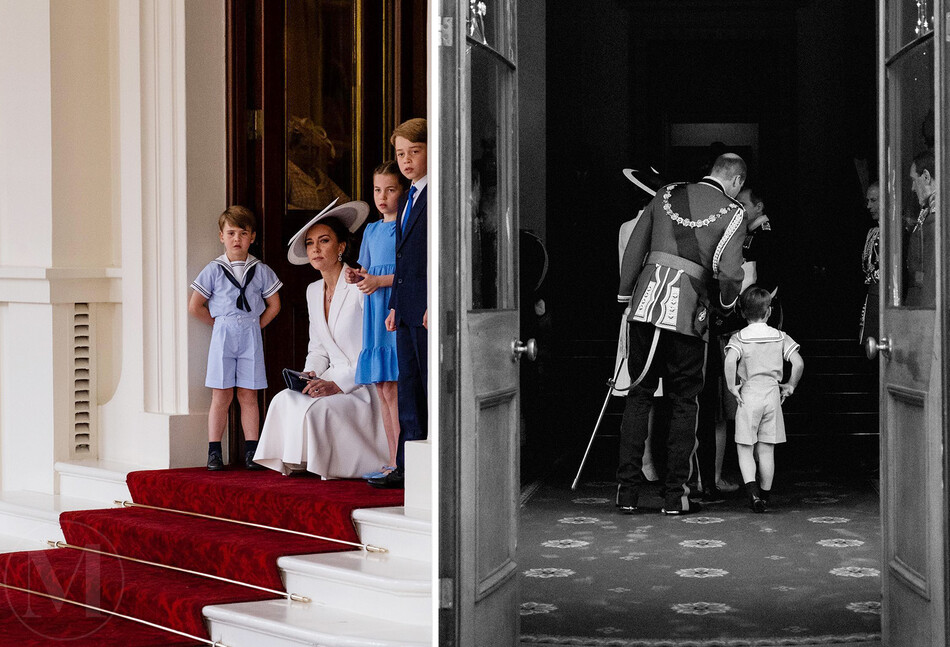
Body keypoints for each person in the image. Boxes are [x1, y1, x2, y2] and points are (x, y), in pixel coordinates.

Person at [616, 153, 748, 516]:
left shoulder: (666, 193)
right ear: (735, 182)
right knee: (683, 403)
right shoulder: (734, 212)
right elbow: (732, 274)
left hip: (645, 306)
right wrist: (722, 306)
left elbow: (635, 249)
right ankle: (676, 496)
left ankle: (627, 492)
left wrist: (628, 295)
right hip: (689, 314)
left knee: (638, 397)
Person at [254, 201, 391, 479]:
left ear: (341, 247)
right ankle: (298, 461)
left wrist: (338, 385)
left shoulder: (359, 285)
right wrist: (310, 374)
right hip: (328, 376)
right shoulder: (312, 290)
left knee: (320, 410)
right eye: (310, 243)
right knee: (284, 399)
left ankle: (326, 464)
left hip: (363, 384)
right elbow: (317, 347)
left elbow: (373, 347)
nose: (315, 249)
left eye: (324, 241)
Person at [189, 206, 283, 471]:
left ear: (252, 236)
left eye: (243, 233)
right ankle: (214, 452)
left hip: (250, 333)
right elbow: (195, 306)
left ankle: (252, 451)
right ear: (221, 236)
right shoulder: (214, 269)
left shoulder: (260, 269)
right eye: (231, 233)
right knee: (221, 395)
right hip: (223, 334)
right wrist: (218, 324)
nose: (237, 239)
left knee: (248, 393)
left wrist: (256, 325)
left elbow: (274, 304)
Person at [370, 118, 429, 490]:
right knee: (407, 386)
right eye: (400, 153)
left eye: (414, 152)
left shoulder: (438, 193)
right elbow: (402, 255)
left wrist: (434, 302)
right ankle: (405, 466)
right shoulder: (408, 196)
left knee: (425, 386)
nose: (406, 160)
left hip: (425, 309)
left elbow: (442, 256)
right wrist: (393, 304)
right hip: (404, 307)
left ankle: (427, 468)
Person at [344, 161, 405, 479]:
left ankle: (401, 461)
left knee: (393, 388)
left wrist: (378, 282)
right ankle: (390, 457)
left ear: (402, 191)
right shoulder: (370, 229)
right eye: (377, 189)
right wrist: (357, 275)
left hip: (391, 311)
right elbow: (367, 270)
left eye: (390, 189)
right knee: (382, 388)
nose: (382, 196)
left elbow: (409, 275)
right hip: (374, 312)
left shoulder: (405, 227)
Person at [723, 287, 804, 513]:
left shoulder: (738, 337)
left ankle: (753, 494)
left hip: (748, 394)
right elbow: (798, 363)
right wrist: (790, 385)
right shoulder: (780, 336)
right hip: (772, 394)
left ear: (742, 312)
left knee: (745, 447)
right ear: (768, 312)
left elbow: (730, 361)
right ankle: (766, 496)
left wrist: (732, 386)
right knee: (766, 449)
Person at [904, 149, 936, 308]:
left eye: (914, 180)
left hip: (927, 302)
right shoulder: (928, 213)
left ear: (926, 176)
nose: (912, 188)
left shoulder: (937, 218)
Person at [859, 182, 880, 346]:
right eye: (868, 201)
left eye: (873, 200)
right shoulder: (873, 231)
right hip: (872, 293)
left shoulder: (898, 229)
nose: (868, 206)